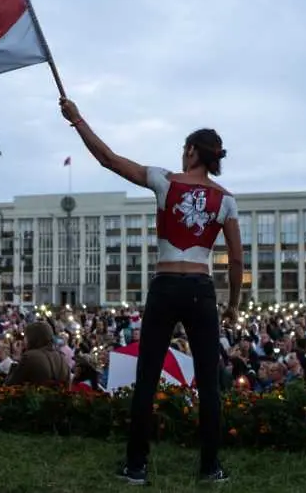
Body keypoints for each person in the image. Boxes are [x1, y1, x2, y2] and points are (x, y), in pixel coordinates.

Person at [60, 98, 241, 484]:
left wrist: (77, 120)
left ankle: (137, 466)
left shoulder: (165, 181)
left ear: (192, 151)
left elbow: (109, 159)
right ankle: (210, 467)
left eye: (185, 146)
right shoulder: (226, 199)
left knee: (147, 377)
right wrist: (234, 306)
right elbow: (237, 261)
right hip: (201, 289)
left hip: (164, 287)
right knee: (209, 383)